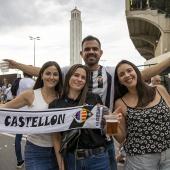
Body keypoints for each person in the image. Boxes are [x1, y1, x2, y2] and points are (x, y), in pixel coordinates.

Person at [4, 35, 170, 170]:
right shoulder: (71, 70)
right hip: (74, 145)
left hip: (104, 140)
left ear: (100, 53)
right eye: (87, 49)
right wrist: (18, 65)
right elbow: (44, 72)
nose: (91, 52)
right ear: (82, 53)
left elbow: (142, 73)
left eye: (94, 49)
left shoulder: (111, 72)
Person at [49, 64, 120, 170]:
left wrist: (112, 119)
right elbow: (56, 137)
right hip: (72, 160)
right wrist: (61, 165)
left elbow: (108, 131)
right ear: (68, 77)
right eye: (76, 75)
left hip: (98, 158)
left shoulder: (94, 98)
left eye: (83, 77)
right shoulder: (56, 105)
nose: (79, 79)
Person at [0, 61, 63, 170]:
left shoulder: (63, 96)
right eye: (48, 73)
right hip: (35, 151)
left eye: (55, 74)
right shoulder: (30, 94)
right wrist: (17, 65)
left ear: (59, 77)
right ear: (41, 75)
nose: (51, 77)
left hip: (60, 151)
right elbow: (5, 108)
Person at [114, 60, 170, 170]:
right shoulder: (120, 102)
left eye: (129, 70)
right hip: (140, 159)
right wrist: (109, 125)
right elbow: (121, 138)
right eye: (121, 74)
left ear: (137, 72)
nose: (127, 75)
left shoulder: (160, 90)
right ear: (120, 81)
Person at [13, 72, 35, 169]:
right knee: (33, 137)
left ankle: (19, 160)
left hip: (19, 113)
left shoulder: (18, 81)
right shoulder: (33, 82)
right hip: (30, 113)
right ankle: (33, 159)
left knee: (18, 139)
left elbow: (14, 96)